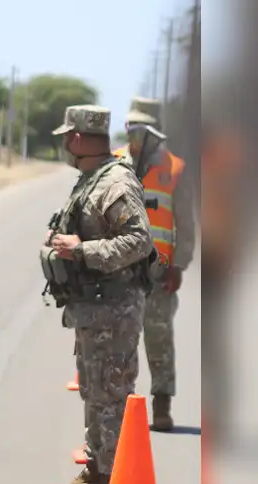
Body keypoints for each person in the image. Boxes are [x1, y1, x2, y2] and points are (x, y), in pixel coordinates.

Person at [41, 105, 154, 484]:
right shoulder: (92, 179)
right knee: (94, 391)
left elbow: (139, 240)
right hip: (95, 309)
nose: (64, 146)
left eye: (65, 138)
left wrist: (81, 250)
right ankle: (96, 469)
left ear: (75, 139)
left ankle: (113, 483)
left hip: (115, 310)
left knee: (111, 393)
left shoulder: (116, 182)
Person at [112, 97, 196, 432]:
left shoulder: (176, 169)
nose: (134, 135)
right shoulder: (114, 163)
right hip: (118, 270)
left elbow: (186, 225)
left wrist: (180, 265)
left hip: (159, 273)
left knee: (159, 338)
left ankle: (162, 405)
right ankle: (117, 405)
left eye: (141, 129)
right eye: (131, 127)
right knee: (118, 340)